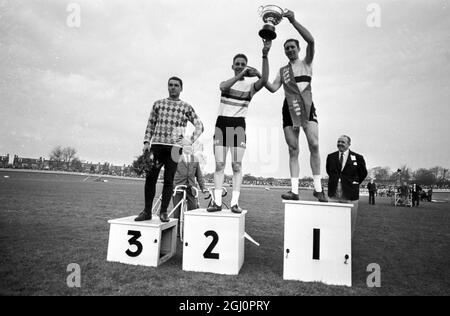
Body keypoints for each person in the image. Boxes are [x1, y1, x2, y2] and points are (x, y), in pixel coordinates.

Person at [264, 9, 327, 202]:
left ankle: (318, 188)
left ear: (298, 49)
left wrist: (293, 21)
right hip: (288, 109)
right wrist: (263, 61)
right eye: (286, 48)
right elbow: (273, 88)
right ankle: (294, 191)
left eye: (292, 47)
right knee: (293, 149)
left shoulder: (307, 62)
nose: (290, 50)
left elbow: (312, 41)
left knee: (314, 144)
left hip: (307, 107)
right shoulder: (283, 71)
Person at [207, 39, 272, 213]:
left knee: (236, 166)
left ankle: (235, 203)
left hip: (238, 126)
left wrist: (264, 57)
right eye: (237, 64)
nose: (240, 66)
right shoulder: (227, 83)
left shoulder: (250, 87)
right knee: (220, 165)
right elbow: (222, 87)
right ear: (233, 66)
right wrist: (240, 73)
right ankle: (218, 202)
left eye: (243, 64)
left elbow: (265, 80)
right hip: (222, 124)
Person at [135, 77, 204, 222]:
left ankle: (163, 212)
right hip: (157, 146)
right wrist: (147, 142)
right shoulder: (158, 104)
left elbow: (200, 126)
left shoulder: (186, 107)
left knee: (169, 180)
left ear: (181, 88)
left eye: (176, 85)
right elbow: (150, 123)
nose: (173, 87)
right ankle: (147, 211)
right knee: (150, 178)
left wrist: (189, 141)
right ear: (168, 87)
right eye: (171, 85)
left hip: (175, 148)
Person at [326, 135, 367, 236]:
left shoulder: (358, 157)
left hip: (350, 195)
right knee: (332, 222)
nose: (340, 143)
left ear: (349, 144)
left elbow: (363, 173)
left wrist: (353, 184)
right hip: (333, 195)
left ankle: (347, 248)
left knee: (349, 223)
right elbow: (329, 171)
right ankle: (332, 244)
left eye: (343, 142)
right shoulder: (330, 157)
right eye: (338, 141)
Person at [172, 145, 206, 235]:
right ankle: (177, 232)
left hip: (191, 187)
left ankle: (191, 230)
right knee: (177, 211)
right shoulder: (176, 157)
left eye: (191, 147)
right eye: (187, 147)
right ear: (183, 148)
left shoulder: (195, 159)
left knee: (193, 209)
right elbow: (170, 172)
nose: (189, 149)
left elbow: (199, 175)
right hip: (178, 186)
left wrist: (203, 188)